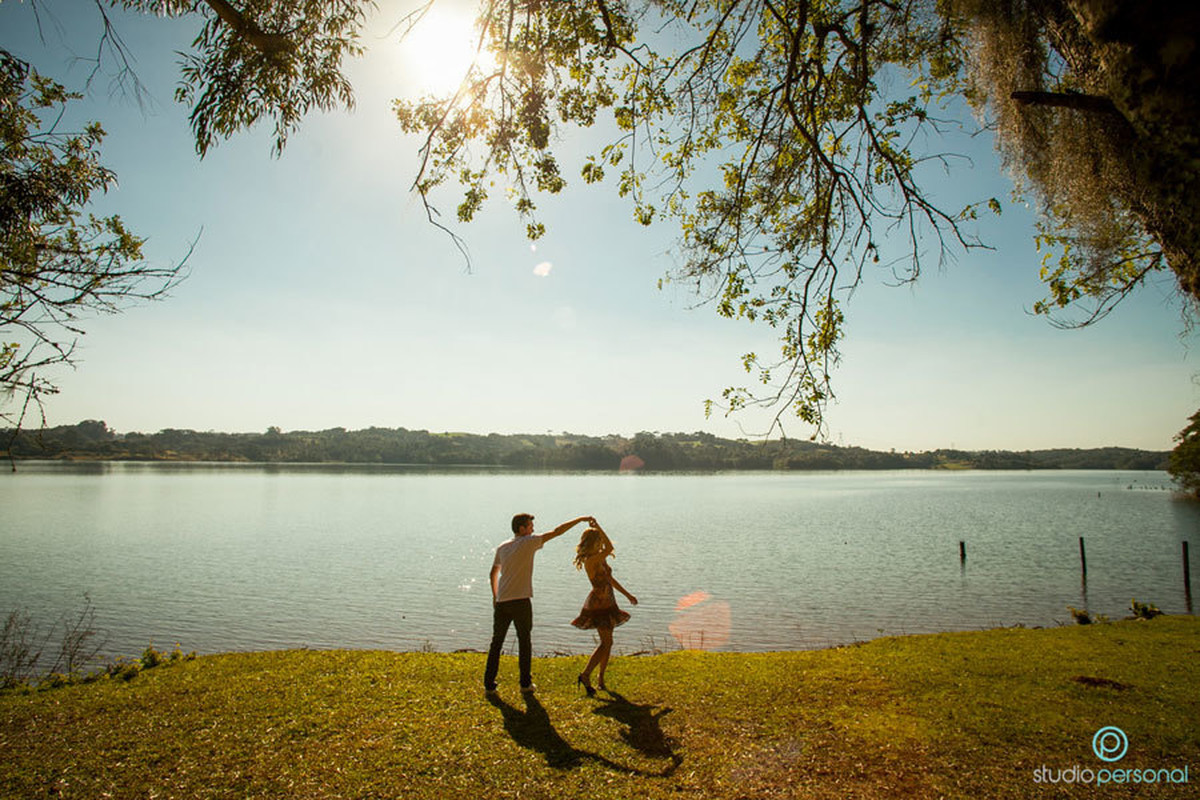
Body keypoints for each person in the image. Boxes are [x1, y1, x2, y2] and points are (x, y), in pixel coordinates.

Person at [484, 512, 592, 694]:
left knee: (496, 643)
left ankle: (489, 685)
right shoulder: (529, 542)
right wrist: (580, 520)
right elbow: (558, 531)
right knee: (524, 642)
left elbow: (493, 573)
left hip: (502, 601)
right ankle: (525, 684)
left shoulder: (502, 547)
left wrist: (495, 597)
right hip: (521, 601)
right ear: (522, 529)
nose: (533, 529)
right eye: (530, 526)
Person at [571, 518, 637, 695]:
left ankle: (600, 679)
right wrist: (598, 527)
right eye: (599, 540)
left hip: (609, 602)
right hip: (598, 604)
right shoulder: (591, 560)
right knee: (606, 642)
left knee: (608, 643)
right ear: (594, 542)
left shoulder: (600, 560)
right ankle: (585, 675)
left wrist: (627, 594)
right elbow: (610, 548)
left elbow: (610, 580)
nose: (602, 543)